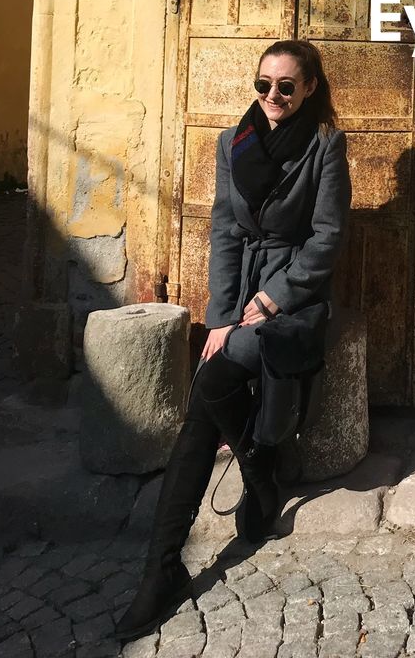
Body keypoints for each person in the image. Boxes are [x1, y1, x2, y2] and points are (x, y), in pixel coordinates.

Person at [116, 39, 351, 641]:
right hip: (240, 299)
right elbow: (224, 230)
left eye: (286, 86)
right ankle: (178, 552)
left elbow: (326, 238)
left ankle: (178, 554)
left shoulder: (326, 145)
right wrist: (221, 317)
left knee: (210, 386)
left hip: (292, 300)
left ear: (311, 89)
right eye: (263, 85)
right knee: (207, 392)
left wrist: (271, 298)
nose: (273, 96)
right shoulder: (233, 143)